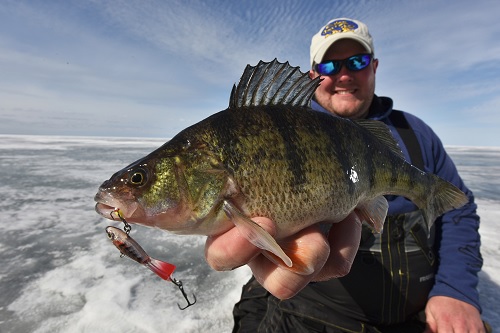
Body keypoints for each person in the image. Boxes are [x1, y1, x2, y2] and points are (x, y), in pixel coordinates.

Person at [205, 18, 487, 332]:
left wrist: (455, 289)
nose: (343, 75)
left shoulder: (415, 135)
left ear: (374, 67)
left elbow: (457, 210)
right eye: (329, 66)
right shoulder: (275, 128)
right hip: (310, 312)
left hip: (418, 317)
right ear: (313, 74)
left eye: (357, 61)